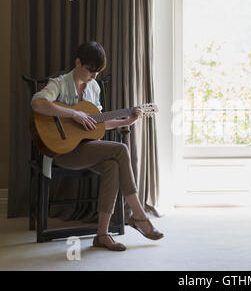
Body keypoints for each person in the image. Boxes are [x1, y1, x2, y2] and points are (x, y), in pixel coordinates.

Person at [31, 41, 163, 251]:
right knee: (121, 150)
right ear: (78, 62)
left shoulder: (93, 87)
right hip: (62, 151)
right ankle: (138, 215)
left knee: (112, 164)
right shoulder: (59, 83)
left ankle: (102, 234)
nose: (94, 76)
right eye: (90, 70)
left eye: (97, 72)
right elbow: (38, 104)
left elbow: (98, 124)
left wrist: (124, 122)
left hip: (87, 148)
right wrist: (74, 113)